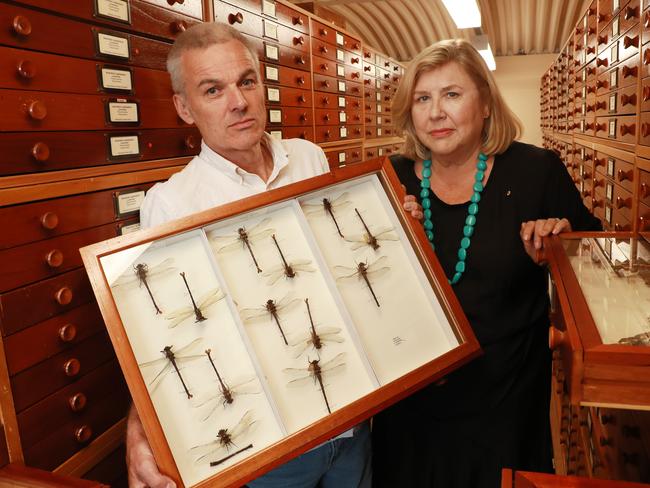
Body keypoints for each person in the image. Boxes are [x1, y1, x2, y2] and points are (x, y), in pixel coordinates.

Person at [128, 22, 371, 488]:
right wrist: (139, 431)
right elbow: (159, 335)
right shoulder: (172, 203)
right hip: (267, 448)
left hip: (350, 419)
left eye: (246, 81)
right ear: (184, 107)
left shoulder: (308, 159)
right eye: (212, 90)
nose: (237, 102)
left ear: (261, 86)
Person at [371, 39, 601, 488]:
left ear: (486, 105)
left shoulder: (536, 172)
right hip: (412, 406)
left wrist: (558, 246)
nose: (436, 112)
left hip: (504, 403)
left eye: (452, 95)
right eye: (423, 98)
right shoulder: (388, 178)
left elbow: (592, 261)